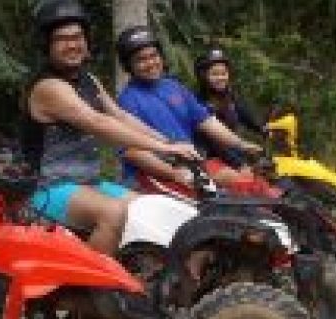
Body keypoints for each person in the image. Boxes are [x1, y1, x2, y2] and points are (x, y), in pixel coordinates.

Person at [21, 0, 199, 255]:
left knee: (147, 209)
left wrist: (170, 144)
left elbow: (120, 116)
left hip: (88, 182)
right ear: (46, 45)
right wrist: (163, 148)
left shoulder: (88, 81)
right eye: (62, 39)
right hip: (46, 188)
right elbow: (98, 122)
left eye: (78, 37)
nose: (72, 44)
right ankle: (88, 280)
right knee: (114, 213)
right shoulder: (48, 87)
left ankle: (140, 272)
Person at [114, 26, 262, 190]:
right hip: (152, 178)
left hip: (189, 168)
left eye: (154, 55)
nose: (150, 63)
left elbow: (207, 122)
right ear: (128, 65)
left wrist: (241, 144)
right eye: (141, 59)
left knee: (248, 186)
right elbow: (133, 152)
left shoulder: (174, 86)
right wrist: (174, 174)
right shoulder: (127, 101)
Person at [193, 47, 269, 170]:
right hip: (211, 158)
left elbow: (244, 114)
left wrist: (261, 128)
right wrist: (239, 164)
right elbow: (214, 141)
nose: (221, 78)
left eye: (224, 73)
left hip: (233, 152)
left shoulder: (228, 97)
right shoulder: (199, 104)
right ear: (203, 76)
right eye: (215, 74)